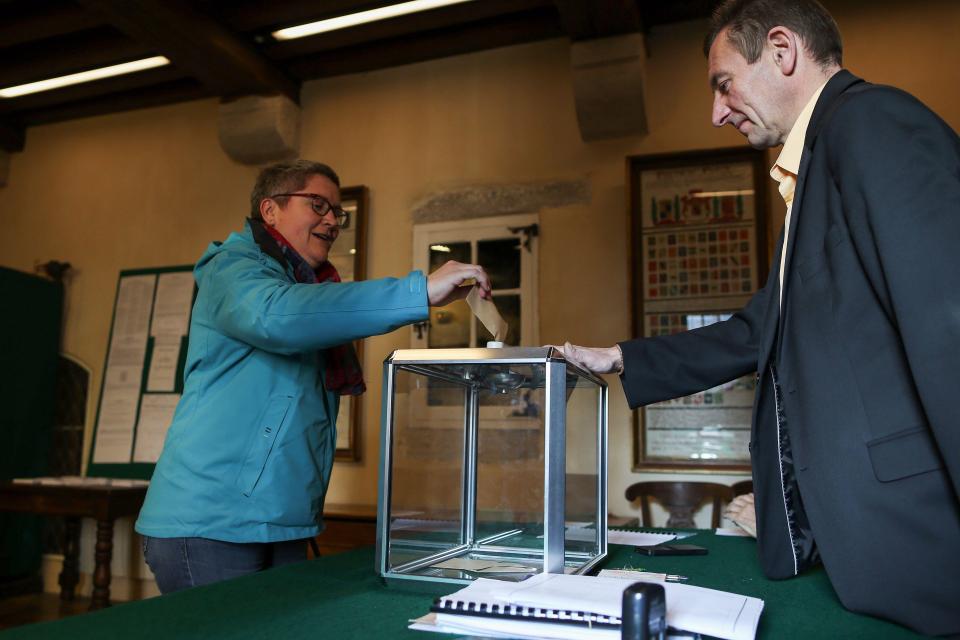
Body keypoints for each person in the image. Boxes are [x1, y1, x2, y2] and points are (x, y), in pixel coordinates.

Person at [559, 0, 960, 635]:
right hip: (857, 548)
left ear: (781, 50)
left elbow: (950, 322)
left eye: (723, 84)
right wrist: (620, 358)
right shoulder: (818, 164)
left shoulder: (875, 124)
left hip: (917, 545)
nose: (716, 111)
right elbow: (757, 330)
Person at [135, 160, 491, 593]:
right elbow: (277, 316)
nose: (332, 220)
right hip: (211, 520)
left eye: (336, 212)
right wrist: (417, 291)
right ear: (270, 210)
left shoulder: (309, 286)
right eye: (317, 205)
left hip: (280, 520)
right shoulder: (232, 268)